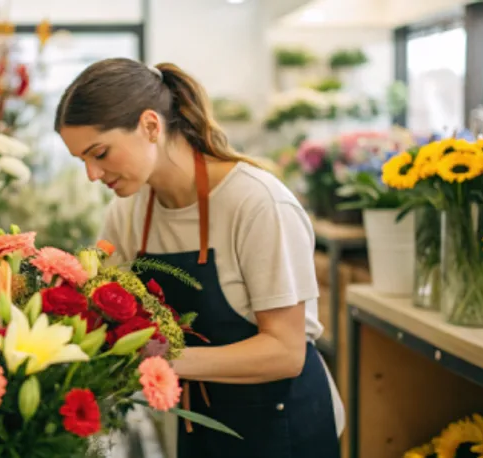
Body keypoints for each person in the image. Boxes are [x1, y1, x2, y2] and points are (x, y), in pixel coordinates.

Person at [54, 57, 343, 458]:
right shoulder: (129, 210)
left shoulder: (258, 203)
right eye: (81, 160)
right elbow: (100, 307)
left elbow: (285, 352)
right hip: (199, 421)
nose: (92, 174)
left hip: (281, 425)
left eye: (99, 153)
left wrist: (157, 362)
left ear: (151, 126)